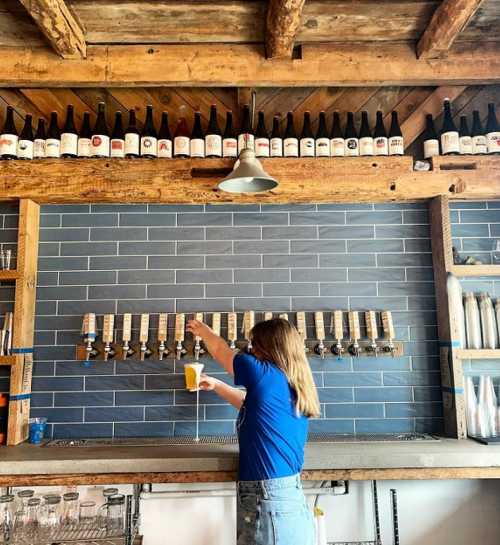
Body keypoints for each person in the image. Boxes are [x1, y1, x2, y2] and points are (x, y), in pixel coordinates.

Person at [187, 317, 320, 545]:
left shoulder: (262, 373)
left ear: (266, 347)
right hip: (287, 497)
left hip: (267, 500)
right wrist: (218, 386)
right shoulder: (290, 380)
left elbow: (220, 350)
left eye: (253, 345)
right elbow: (253, 404)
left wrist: (204, 331)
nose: (251, 351)